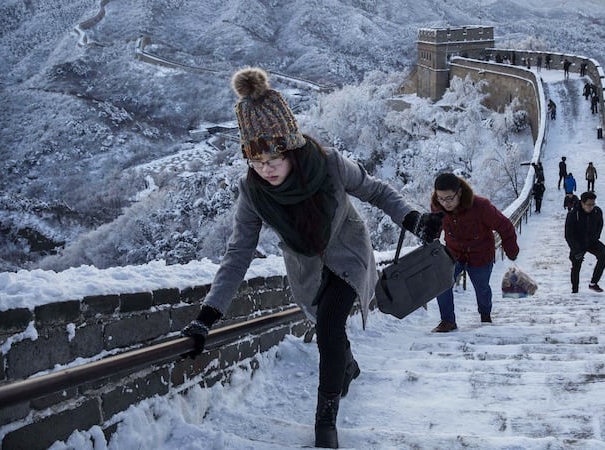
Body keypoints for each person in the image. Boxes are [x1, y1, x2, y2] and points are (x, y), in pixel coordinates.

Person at [179, 67, 442, 449]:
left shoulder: (330, 164)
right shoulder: (253, 193)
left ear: (292, 148)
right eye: (255, 161)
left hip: (349, 254)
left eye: (273, 158)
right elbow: (239, 252)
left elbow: (376, 191)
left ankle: (325, 421)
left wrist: (412, 218)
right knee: (329, 331)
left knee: (331, 325)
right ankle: (347, 367)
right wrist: (207, 315)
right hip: (306, 270)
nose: (265, 169)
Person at [430, 173, 519, 332]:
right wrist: (431, 242)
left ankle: (485, 316)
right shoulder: (437, 206)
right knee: (442, 283)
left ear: (459, 192)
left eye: (449, 198)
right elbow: (435, 227)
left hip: (481, 254)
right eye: (441, 198)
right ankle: (448, 321)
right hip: (454, 253)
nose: (445, 203)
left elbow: (505, 226)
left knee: (482, 287)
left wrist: (511, 250)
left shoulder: (481, 206)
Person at [565, 191, 605, 293]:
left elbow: (600, 225)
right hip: (578, 243)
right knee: (576, 264)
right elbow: (568, 235)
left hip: (592, 241)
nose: (591, 207)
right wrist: (575, 250)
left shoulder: (597, 212)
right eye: (589, 205)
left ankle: (593, 283)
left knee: (603, 255)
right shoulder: (573, 214)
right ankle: (575, 290)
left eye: (593, 204)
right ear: (582, 203)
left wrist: (596, 236)